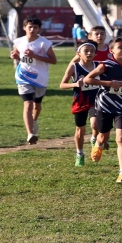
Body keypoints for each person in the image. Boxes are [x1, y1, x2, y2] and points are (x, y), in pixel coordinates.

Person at [84, 37, 122, 183]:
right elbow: (87, 79)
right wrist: (109, 83)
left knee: (121, 138)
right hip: (105, 106)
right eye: (120, 47)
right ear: (112, 51)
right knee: (104, 136)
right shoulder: (105, 65)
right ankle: (98, 144)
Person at [10, 15, 58, 145]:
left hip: (40, 78)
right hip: (23, 76)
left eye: (35, 27)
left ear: (39, 29)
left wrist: (34, 56)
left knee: (37, 105)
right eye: (30, 27)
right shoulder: (19, 41)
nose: (32, 29)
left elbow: (53, 61)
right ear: (24, 28)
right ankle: (30, 133)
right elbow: (16, 54)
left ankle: (34, 120)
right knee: (28, 104)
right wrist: (14, 55)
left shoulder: (44, 43)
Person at [70, 25, 111, 149]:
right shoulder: (83, 52)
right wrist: (76, 81)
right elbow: (72, 66)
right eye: (96, 34)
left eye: (102, 34)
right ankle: (88, 145)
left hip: (99, 94)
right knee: (82, 127)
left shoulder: (109, 52)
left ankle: (96, 137)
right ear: (90, 36)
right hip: (82, 96)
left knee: (96, 123)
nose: (99, 36)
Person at [60, 40, 99, 167]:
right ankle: (80, 154)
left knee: (95, 124)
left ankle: (94, 140)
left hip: (96, 101)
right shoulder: (74, 67)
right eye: (86, 51)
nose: (89, 53)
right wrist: (75, 84)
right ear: (78, 53)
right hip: (80, 102)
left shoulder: (99, 66)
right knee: (80, 130)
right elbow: (62, 84)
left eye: (92, 51)